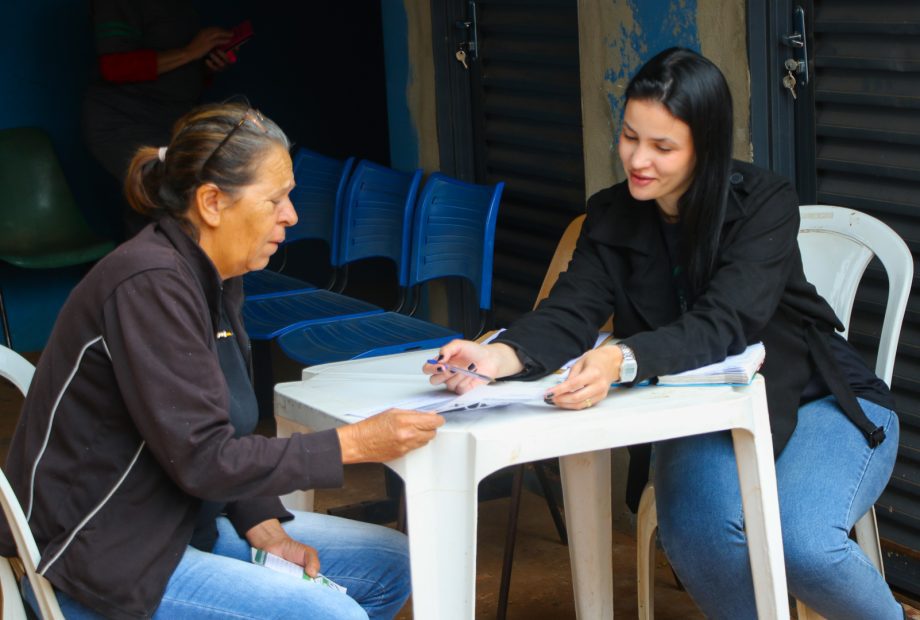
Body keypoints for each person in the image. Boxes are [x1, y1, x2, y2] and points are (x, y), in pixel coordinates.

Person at [424, 47, 903, 619]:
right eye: (630, 137)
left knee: (804, 545)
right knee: (699, 532)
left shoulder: (764, 203)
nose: (638, 159)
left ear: (706, 146)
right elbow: (570, 311)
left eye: (663, 147)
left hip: (820, 398)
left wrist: (621, 360)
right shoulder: (612, 215)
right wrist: (496, 356)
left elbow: (725, 322)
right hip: (704, 414)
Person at [2, 102, 444, 619]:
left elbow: (219, 430)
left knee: (392, 564)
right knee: (331, 615)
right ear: (212, 202)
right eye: (275, 199)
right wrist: (356, 443)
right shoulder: (149, 284)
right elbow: (204, 458)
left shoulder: (215, 275)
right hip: (102, 556)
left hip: (178, 524)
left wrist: (263, 522)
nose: (291, 215)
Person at [83, 0, 237, 238]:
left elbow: (176, 71)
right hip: (124, 120)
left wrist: (206, 65)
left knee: (176, 200)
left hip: (171, 121)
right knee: (161, 197)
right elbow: (114, 67)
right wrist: (191, 52)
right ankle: (146, 261)